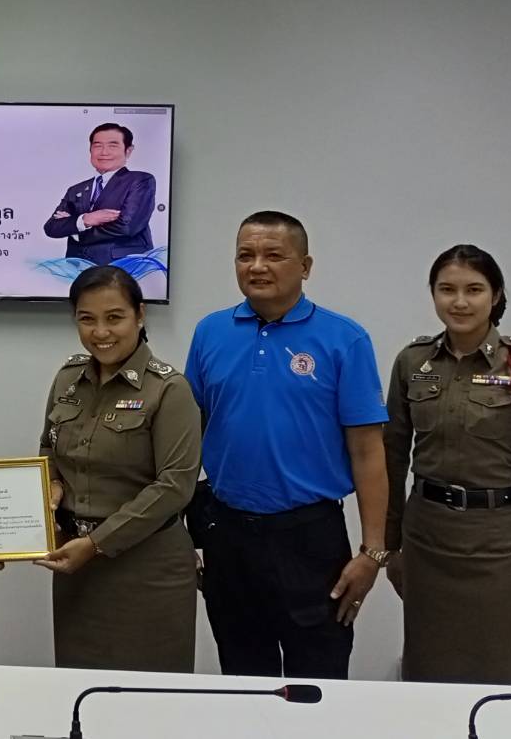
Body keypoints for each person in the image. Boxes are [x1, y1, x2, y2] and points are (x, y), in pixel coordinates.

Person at [185, 211, 388, 679]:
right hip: (227, 533)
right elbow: (188, 437)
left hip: (309, 536)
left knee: (317, 682)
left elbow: (368, 452)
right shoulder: (209, 332)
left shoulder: (345, 339)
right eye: (245, 255)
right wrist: (178, 534)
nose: (257, 266)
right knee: (243, 677)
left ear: (305, 266)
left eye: (273, 255)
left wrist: (373, 552)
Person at [383, 244, 511, 685]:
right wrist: (390, 547)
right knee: (427, 675)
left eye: (474, 289)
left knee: (502, 676)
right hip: (427, 542)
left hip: (500, 548)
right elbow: (392, 458)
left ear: (496, 295)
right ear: (433, 293)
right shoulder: (413, 361)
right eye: (447, 289)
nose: (460, 302)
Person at [37, 266, 201, 672]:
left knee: (148, 693)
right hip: (77, 565)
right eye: (87, 319)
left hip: (147, 568)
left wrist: (97, 544)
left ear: (140, 315)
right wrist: (52, 484)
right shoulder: (68, 379)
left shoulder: (168, 389)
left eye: (114, 318)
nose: (101, 332)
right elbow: (48, 448)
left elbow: (175, 486)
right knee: (79, 688)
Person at [42, 123, 156, 265]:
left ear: (128, 151)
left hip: (123, 267)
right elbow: (52, 227)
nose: (104, 152)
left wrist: (76, 229)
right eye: (97, 146)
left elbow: (127, 226)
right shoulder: (76, 189)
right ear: (90, 150)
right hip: (77, 268)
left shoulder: (140, 180)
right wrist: (85, 220)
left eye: (112, 146)